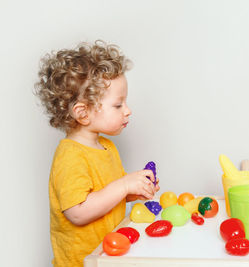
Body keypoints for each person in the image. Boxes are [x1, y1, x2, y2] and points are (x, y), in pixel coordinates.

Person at [34, 40, 159, 267]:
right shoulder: (70, 156)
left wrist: (134, 190)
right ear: (83, 113)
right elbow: (78, 212)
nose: (128, 110)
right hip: (81, 262)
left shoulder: (107, 146)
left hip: (109, 256)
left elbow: (106, 195)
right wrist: (123, 186)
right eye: (118, 105)